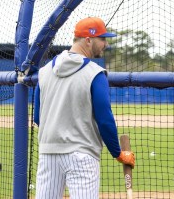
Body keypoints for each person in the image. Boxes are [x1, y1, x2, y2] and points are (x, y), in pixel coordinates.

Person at [33, 17, 135, 199]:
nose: (105, 43)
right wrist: (118, 154)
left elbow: (37, 117)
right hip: (82, 156)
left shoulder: (44, 71)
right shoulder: (95, 73)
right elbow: (105, 120)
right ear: (88, 40)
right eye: (102, 39)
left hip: (48, 153)